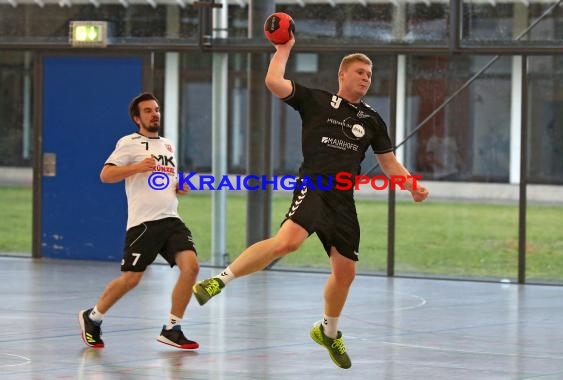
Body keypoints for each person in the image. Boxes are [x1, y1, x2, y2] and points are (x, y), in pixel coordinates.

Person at [193, 36, 429, 369]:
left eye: (370, 75)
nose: (366, 78)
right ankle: (218, 280)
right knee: (287, 243)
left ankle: (328, 332)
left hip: (342, 199)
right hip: (315, 184)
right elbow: (274, 82)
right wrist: (283, 49)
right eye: (360, 72)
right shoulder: (317, 101)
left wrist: (412, 186)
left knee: (345, 273)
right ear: (342, 75)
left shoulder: (372, 120)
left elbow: (389, 163)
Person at [78, 92, 200, 350]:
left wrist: (178, 186)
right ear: (137, 118)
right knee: (131, 280)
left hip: (171, 218)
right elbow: (106, 175)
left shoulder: (168, 145)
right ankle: (93, 317)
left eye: (156, 109)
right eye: (148, 111)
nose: (154, 114)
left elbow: (164, 179)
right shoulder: (129, 142)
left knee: (191, 268)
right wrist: (136, 167)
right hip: (144, 224)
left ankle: (172, 328)